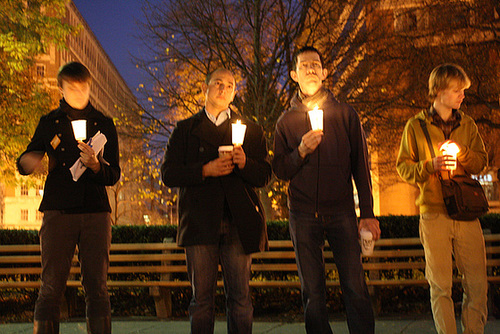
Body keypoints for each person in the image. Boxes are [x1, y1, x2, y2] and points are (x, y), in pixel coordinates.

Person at [272, 46, 380, 334]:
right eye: (304, 65)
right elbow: (280, 169)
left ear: (324, 72)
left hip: (342, 211)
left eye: (315, 64)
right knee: (312, 291)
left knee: (355, 286)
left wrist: (367, 213)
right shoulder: (285, 121)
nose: (310, 68)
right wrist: (301, 151)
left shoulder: (345, 114)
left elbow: (361, 166)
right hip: (303, 214)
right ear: (294, 74)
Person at [160, 68, 271, 334]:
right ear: (205, 88)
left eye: (229, 85)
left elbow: (266, 174)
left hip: (238, 222)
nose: (223, 88)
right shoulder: (185, 129)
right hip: (200, 224)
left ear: (235, 93)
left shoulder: (251, 130)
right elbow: (168, 173)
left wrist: (245, 163)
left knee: (241, 298)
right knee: (201, 301)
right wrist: (204, 170)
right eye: (217, 83)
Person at [17, 61, 120, 334]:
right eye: (71, 87)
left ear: (89, 87)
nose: (77, 92)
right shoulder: (50, 122)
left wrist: (97, 166)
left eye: (82, 86)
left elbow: (114, 174)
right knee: (51, 285)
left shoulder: (105, 124)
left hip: (95, 211)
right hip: (58, 211)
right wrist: (27, 162)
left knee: (97, 285)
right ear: (61, 88)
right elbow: (30, 157)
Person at [396, 63, 488, 333]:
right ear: (438, 91)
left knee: (477, 284)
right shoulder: (415, 126)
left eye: (463, 89)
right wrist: (429, 166)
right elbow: (403, 168)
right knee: (440, 286)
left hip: (466, 212)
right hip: (434, 212)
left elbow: (481, 162)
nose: (462, 94)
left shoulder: (467, 124)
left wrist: (462, 152)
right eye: (456, 89)